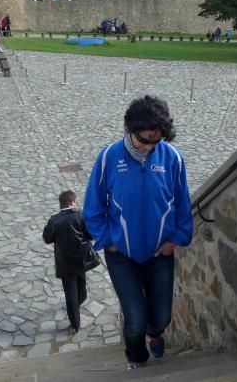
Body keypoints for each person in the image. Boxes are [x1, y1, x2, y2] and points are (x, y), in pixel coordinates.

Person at [84, 95, 193, 370]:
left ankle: (155, 333)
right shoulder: (109, 158)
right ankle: (136, 358)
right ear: (131, 129)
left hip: (160, 253)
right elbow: (93, 207)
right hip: (121, 255)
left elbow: (182, 204)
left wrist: (175, 240)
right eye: (145, 140)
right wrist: (108, 240)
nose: (150, 146)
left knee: (161, 317)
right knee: (134, 321)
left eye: (156, 140)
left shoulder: (173, 159)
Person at [43, 190, 99, 332]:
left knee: (70, 292)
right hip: (81, 259)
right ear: (72, 202)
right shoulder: (80, 216)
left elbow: (47, 238)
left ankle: (75, 322)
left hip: (65, 263)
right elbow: (91, 235)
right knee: (81, 288)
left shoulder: (54, 220)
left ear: (61, 204)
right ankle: (76, 307)